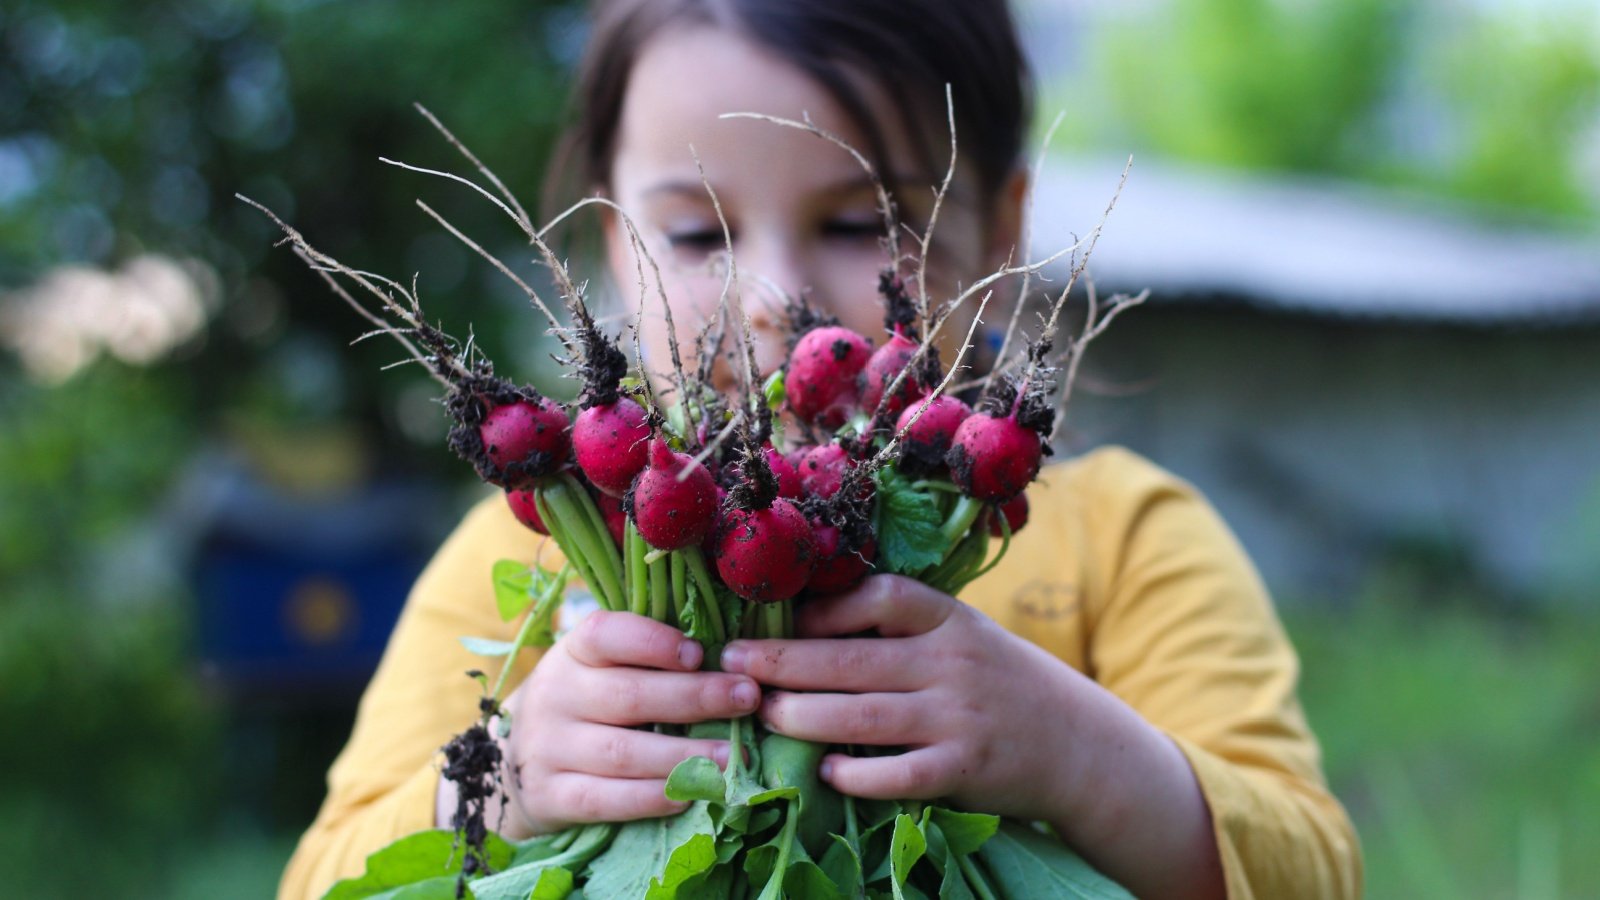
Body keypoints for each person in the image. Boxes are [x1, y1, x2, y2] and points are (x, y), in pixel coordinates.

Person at [279, 1, 1361, 898]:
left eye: (861, 227)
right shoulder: (498, 572)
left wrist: (1073, 755)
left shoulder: (1122, 536)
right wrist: (501, 783)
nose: (774, 303)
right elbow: (323, 877)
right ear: (617, 244)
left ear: (998, 233)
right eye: (700, 236)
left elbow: (1313, 871)